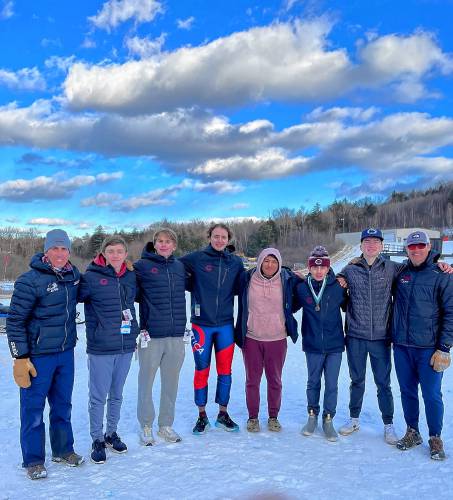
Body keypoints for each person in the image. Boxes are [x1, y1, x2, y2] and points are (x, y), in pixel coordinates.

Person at [337, 227, 451, 444]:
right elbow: (337, 283)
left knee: (384, 383)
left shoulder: (393, 269)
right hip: (356, 336)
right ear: (360, 246)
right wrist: (341, 275)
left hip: (382, 337)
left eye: (375, 242)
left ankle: (389, 425)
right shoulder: (350, 270)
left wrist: (439, 262)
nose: (371, 245)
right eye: (367, 242)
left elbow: (420, 267)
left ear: (381, 246)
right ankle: (354, 419)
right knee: (357, 380)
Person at [6, 229, 84, 480]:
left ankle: (63, 450)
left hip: (65, 353)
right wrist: (19, 356)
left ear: (69, 252)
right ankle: (34, 460)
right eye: (55, 248)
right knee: (33, 409)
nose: (59, 253)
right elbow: (15, 321)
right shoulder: (29, 280)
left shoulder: (73, 277)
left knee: (63, 405)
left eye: (64, 249)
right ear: (46, 251)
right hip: (38, 356)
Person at [392, 230, 453, 460]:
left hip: (429, 348)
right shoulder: (400, 273)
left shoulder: (442, 274)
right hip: (402, 346)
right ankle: (412, 431)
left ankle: (435, 436)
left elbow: (451, 312)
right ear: (407, 249)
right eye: (411, 246)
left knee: (431, 394)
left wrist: (444, 347)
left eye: (420, 246)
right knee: (407, 391)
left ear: (429, 247)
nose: (416, 250)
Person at [78, 235, 138, 464]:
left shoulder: (131, 275)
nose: (115, 255)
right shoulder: (92, 276)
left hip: (125, 345)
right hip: (101, 347)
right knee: (98, 397)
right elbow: (72, 297)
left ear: (125, 254)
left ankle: (111, 433)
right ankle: (97, 439)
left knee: (117, 395)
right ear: (103, 253)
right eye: (110, 251)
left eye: (119, 251)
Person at [180, 223, 245, 434]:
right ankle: (202, 415)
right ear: (209, 237)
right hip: (201, 326)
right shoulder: (196, 258)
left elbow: (247, 283)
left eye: (223, 237)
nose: (219, 240)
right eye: (215, 236)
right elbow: (171, 266)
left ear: (228, 239)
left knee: (225, 371)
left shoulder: (235, 262)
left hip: (225, 325)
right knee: (202, 370)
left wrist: (287, 274)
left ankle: (223, 413)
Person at [235, 248, 300, 433]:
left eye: (274, 261)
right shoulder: (246, 278)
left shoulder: (287, 279)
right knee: (252, 380)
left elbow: (310, 283)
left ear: (279, 263)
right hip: (252, 337)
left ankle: (273, 417)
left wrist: (287, 312)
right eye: (266, 261)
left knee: (275, 380)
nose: (270, 265)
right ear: (260, 261)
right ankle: (253, 417)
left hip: (277, 338)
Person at [135, 228, 186, 445]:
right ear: (154, 244)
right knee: (146, 382)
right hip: (151, 335)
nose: (164, 244)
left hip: (176, 336)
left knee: (171, 383)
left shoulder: (179, 266)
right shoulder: (142, 267)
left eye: (168, 241)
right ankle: (146, 425)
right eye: (160, 241)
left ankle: (165, 425)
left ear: (174, 245)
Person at [295, 246, 348, 442]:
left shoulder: (338, 286)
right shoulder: (301, 287)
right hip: (312, 344)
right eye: (314, 267)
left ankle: (328, 419)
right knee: (313, 381)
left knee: (332, 384)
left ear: (328, 267)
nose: (318, 271)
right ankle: (312, 415)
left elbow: (349, 306)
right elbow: (288, 306)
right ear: (309, 268)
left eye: (322, 267)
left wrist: (346, 279)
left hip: (335, 345)